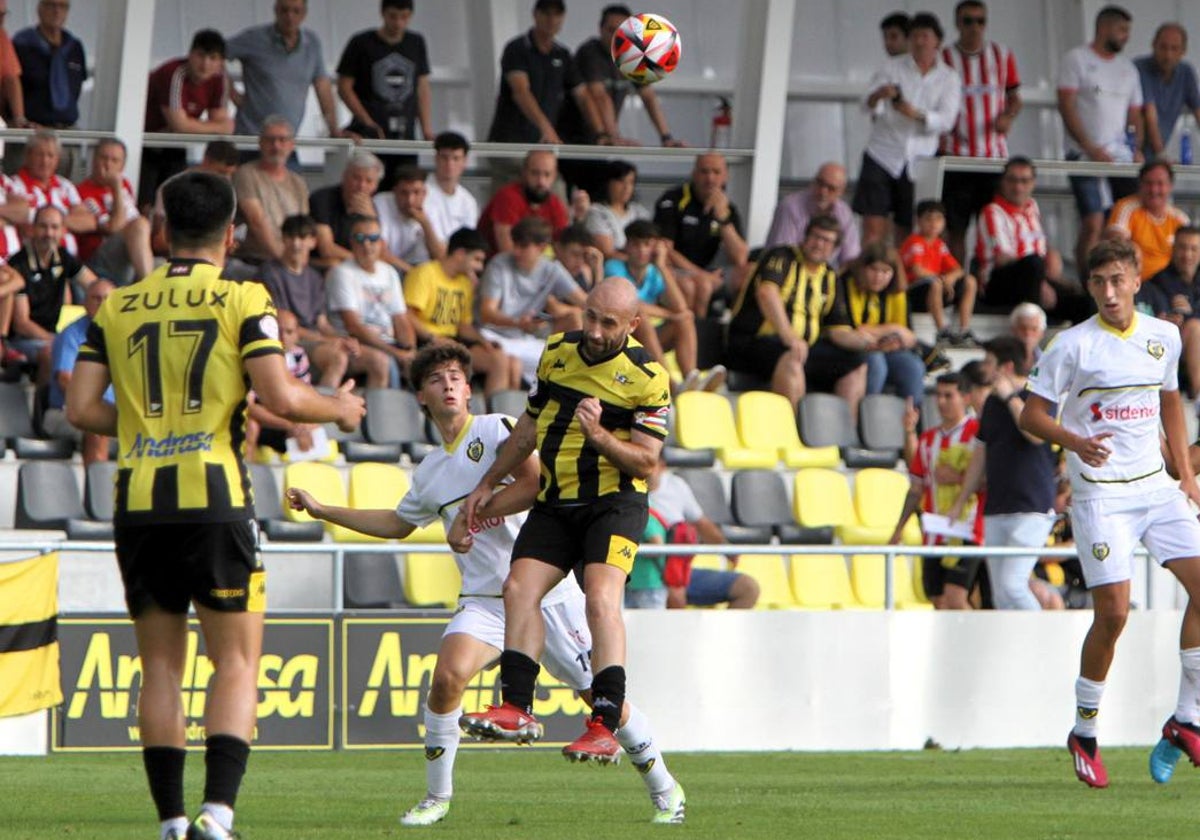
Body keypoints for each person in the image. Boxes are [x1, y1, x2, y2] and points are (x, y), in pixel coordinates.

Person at [65, 170, 365, 840]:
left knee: (161, 668)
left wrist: (150, 422)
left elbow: (81, 409)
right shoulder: (242, 297)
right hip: (216, 499)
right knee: (235, 659)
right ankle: (217, 815)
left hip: (138, 502)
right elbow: (282, 399)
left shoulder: (117, 306)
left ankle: (171, 822)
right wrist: (341, 407)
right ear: (232, 234)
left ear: (164, 230)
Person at [287, 341, 684, 825]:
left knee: (601, 702)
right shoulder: (431, 470)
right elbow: (396, 523)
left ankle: (665, 787)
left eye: (456, 376)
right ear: (421, 399)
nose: (449, 384)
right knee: (446, 679)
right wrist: (325, 509)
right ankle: (437, 798)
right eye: (437, 379)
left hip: (546, 595)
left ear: (469, 390)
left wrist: (472, 515)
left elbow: (536, 484)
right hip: (484, 601)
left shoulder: (497, 430)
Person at [458, 277, 672, 775]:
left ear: (633, 326)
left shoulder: (648, 377)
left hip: (615, 504)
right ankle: (515, 707)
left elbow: (645, 463)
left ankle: (603, 726)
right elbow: (529, 427)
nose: (594, 331)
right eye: (590, 316)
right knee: (517, 587)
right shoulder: (557, 350)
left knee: (600, 599)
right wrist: (488, 483)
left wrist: (596, 433)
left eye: (608, 323)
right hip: (557, 500)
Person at [1015, 238, 1200, 789]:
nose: (1110, 291)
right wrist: (1075, 439)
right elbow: (1030, 415)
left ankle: (1185, 719)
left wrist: (1185, 475)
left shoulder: (1163, 337)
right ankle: (1084, 731)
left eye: (1119, 280)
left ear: (1137, 281)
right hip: (1101, 495)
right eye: (1099, 283)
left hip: (1156, 490)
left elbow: (1169, 401)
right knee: (1114, 614)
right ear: (1090, 286)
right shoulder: (1071, 346)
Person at [946, 335, 1058, 611]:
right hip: (997, 507)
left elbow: (1035, 435)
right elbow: (980, 455)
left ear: (1006, 367)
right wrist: (961, 501)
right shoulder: (992, 406)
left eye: (990, 362)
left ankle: (1042, 638)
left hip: (1031, 506)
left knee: (1013, 584)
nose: (985, 368)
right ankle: (1014, 649)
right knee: (999, 593)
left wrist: (1010, 397)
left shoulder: (1038, 397)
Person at [853, 11, 961, 246]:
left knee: (908, 229)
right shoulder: (891, 67)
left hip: (919, 159)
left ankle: (901, 280)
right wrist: (880, 95)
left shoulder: (949, 78)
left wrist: (917, 114)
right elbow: (865, 105)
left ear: (937, 42)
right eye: (914, 36)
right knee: (873, 226)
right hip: (882, 152)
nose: (920, 42)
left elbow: (947, 121)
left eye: (925, 36)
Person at [556, 4, 685, 198]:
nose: (616, 36)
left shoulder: (631, 56)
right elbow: (599, 96)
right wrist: (613, 136)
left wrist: (666, 137)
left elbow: (648, 96)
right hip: (574, 143)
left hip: (600, 144)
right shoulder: (590, 52)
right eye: (610, 30)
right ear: (600, 29)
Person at [726, 215, 847, 410]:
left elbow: (838, 329)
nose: (819, 244)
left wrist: (869, 343)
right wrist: (789, 336)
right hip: (753, 343)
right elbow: (766, 293)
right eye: (816, 237)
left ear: (835, 249)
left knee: (857, 362)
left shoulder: (831, 276)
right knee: (793, 356)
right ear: (805, 237)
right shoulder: (782, 256)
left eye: (826, 241)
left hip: (800, 347)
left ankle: (844, 431)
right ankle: (792, 430)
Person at [1057, 5, 1143, 277]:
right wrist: (1089, 147)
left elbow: (1135, 113)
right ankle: (1088, 280)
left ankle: (1121, 276)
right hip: (1082, 156)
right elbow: (1067, 106)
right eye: (1122, 30)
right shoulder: (1077, 59)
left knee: (1124, 219)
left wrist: (1136, 148)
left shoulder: (1127, 69)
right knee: (1093, 220)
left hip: (1120, 158)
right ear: (1104, 27)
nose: (1126, 36)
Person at [259, 214, 390, 389]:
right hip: (290, 341)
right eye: (291, 237)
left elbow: (322, 324)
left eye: (303, 237)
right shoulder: (270, 274)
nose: (297, 244)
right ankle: (323, 415)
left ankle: (372, 415)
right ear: (283, 239)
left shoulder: (314, 277)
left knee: (379, 361)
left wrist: (346, 340)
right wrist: (328, 341)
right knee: (337, 356)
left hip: (317, 340)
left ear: (313, 241)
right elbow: (283, 327)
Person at [938, 1, 1022, 264]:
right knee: (955, 228)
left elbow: (1014, 97)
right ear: (957, 24)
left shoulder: (1001, 55)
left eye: (980, 21)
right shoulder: (943, 58)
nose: (974, 27)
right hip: (955, 156)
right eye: (968, 21)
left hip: (993, 158)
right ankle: (956, 286)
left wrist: (1008, 116)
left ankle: (986, 286)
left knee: (992, 226)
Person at [891, 372, 983, 610]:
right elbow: (916, 488)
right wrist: (898, 529)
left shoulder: (978, 434)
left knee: (955, 598)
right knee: (938, 600)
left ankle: (973, 644)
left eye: (948, 396)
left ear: (966, 398)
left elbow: (991, 481)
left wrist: (959, 477)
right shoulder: (927, 438)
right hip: (933, 531)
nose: (941, 402)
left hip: (968, 530)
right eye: (938, 396)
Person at [403, 227, 523, 396]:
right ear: (460, 253)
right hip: (426, 342)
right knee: (500, 361)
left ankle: (496, 418)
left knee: (502, 359)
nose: (480, 267)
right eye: (476, 259)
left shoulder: (465, 283)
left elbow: (464, 326)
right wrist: (433, 338)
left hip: (454, 342)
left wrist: (483, 342)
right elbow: (408, 315)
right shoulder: (425, 273)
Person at [605, 219, 717, 393]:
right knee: (640, 315)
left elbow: (681, 308)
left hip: (648, 340)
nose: (642, 250)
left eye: (647, 244)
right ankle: (668, 384)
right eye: (636, 244)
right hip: (621, 338)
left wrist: (662, 266)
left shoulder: (654, 272)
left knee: (685, 320)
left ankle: (691, 380)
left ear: (654, 247)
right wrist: (670, 315)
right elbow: (633, 305)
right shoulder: (614, 267)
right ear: (627, 246)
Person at [478, 217, 587, 381]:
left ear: (541, 248)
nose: (516, 251)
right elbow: (487, 313)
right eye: (515, 244)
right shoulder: (499, 264)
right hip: (491, 336)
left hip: (524, 340)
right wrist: (517, 323)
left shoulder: (552, 270)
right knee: (516, 365)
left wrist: (597, 272)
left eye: (523, 246)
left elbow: (586, 302)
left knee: (564, 365)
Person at [646, 455, 760, 610]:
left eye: (649, 461)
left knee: (748, 588)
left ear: (662, 465)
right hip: (645, 573)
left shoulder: (676, 486)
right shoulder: (623, 490)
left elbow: (701, 523)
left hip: (679, 571)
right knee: (674, 596)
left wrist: (726, 549)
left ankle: (722, 635)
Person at [485, 0, 602, 149]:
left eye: (557, 14)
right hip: (511, 143)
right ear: (535, 15)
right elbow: (521, 92)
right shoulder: (517, 49)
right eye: (546, 14)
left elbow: (583, 96)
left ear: (563, 17)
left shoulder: (562, 54)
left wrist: (600, 134)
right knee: (537, 171)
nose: (551, 20)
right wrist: (546, 129)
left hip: (543, 144)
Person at [226, 0, 346, 141]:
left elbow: (322, 87)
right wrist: (231, 92)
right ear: (276, 11)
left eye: (296, 11)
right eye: (284, 10)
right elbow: (213, 54)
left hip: (287, 138)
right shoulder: (254, 38)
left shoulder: (312, 43)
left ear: (304, 14)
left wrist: (333, 129)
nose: (290, 16)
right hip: (252, 136)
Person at [140, 29, 234, 207]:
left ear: (221, 63)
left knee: (172, 202)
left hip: (176, 145)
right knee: (145, 205)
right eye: (201, 56)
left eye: (213, 58)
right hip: (146, 142)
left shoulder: (220, 78)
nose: (205, 64)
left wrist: (192, 125)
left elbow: (225, 127)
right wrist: (209, 126)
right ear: (190, 55)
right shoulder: (174, 73)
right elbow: (179, 125)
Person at [831, 242, 926, 408]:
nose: (879, 277)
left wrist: (891, 333)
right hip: (850, 348)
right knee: (876, 362)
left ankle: (910, 423)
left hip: (885, 349)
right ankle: (868, 418)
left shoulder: (896, 292)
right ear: (862, 268)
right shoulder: (847, 284)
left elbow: (909, 337)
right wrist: (893, 329)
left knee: (913, 367)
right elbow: (855, 330)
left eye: (885, 271)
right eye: (874, 269)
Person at [325, 214, 415, 388]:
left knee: (426, 364)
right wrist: (395, 353)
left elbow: (401, 319)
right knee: (384, 362)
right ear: (351, 242)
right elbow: (354, 326)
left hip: (388, 342)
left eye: (373, 238)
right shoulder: (341, 273)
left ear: (382, 243)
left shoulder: (389, 272)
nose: (367, 244)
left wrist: (410, 350)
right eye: (360, 238)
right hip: (354, 344)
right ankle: (377, 415)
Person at [654, 153, 749, 317]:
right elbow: (665, 249)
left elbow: (740, 258)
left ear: (725, 176)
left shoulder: (728, 208)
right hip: (677, 269)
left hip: (713, 271)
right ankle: (698, 333)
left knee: (749, 273)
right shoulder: (674, 200)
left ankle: (735, 331)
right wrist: (702, 275)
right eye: (704, 171)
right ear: (694, 174)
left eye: (716, 172)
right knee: (701, 285)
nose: (710, 178)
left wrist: (723, 219)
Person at [8, 205, 96, 381]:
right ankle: (45, 406)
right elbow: (21, 323)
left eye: (55, 227)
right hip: (22, 340)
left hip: (55, 334)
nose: (49, 233)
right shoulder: (19, 263)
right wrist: (58, 340)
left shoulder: (63, 257)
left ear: (63, 231)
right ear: (32, 229)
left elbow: (95, 285)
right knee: (50, 354)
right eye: (43, 226)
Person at [974, 157, 1067, 313]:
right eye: (1012, 180)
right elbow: (1002, 258)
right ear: (1002, 182)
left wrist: (1052, 255)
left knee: (1079, 298)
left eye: (1024, 181)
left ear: (1033, 183)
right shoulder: (993, 211)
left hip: (1035, 276)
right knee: (1033, 264)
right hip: (999, 284)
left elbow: (1037, 244)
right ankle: (1031, 321)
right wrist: (1040, 280)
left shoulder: (1032, 207)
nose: (1018, 187)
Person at [44, 278, 113, 465]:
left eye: (107, 298)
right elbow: (65, 380)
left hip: (110, 410)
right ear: (84, 302)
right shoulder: (71, 334)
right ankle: (95, 487)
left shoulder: (122, 334)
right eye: (96, 298)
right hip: (64, 412)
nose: (101, 303)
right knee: (95, 424)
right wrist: (95, 407)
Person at [231, 117, 310, 266]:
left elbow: (302, 226)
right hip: (256, 260)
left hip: (291, 260)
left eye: (282, 140)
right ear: (260, 143)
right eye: (270, 140)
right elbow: (256, 222)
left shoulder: (298, 182)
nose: (276, 146)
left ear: (292, 145)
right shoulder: (246, 174)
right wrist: (284, 261)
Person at [75, 138, 154, 285]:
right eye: (103, 158)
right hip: (98, 258)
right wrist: (116, 188)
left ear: (122, 166)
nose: (108, 164)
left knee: (163, 265)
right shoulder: (82, 192)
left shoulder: (126, 185)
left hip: (126, 252)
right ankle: (148, 286)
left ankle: (146, 283)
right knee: (139, 224)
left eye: (114, 160)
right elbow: (114, 228)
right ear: (94, 160)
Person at [899, 199, 977, 345]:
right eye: (928, 219)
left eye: (938, 219)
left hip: (938, 287)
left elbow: (958, 269)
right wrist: (942, 279)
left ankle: (964, 331)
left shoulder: (939, 244)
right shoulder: (914, 241)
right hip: (915, 292)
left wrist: (950, 278)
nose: (934, 223)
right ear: (919, 221)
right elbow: (917, 270)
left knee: (970, 281)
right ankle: (942, 332)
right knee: (935, 283)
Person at [1138, 227, 1200, 401]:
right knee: (1195, 328)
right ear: (1173, 249)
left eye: (1194, 249)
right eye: (1182, 247)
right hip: (1171, 352)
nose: (1187, 254)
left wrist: (1192, 311)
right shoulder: (1159, 282)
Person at [150, 141, 240, 256]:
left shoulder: (226, 192)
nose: (226, 179)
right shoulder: (172, 188)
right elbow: (158, 241)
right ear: (206, 161)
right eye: (221, 172)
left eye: (230, 174)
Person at [1106, 161, 1190, 280]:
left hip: (1171, 284)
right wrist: (1131, 247)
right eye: (1149, 183)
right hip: (1136, 282)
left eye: (1160, 184)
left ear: (1170, 187)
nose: (1154, 190)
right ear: (1140, 185)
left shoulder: (1180, 219)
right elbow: (1114, 243)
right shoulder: (1126, 207)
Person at [764, 162, 861, 267]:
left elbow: (851, 258)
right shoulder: (790, 207)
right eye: (820, 183)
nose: (823, 191)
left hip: (824, 276)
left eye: (831, 188)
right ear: (813, 181)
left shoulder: (844, 213)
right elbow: (781, 255)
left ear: (841, 192)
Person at [477, 150, 570, 256]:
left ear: (554, 176)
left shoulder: (554, 203)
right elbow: (507, 250)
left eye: (547, 175)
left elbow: (563, 247)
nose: (541, 181)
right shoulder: (507, 197)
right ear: (524, 173)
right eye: (535, 173)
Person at [13, 0, 87, 129]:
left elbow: (77, 86)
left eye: (63, 6)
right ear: (39, 8)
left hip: (67, 128)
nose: (57, 11)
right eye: (51, 5)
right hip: (32, 129)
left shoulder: (74, 47)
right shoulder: (22, 44)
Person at [1135, 22, 1200, 162]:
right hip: (1134, 152)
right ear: (1154, 45)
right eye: (1163, 47)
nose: (1168, 55)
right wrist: (1161, 155)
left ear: (1183, 51)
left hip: (1156, 152)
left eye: (1174, 48)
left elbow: (1198, 111)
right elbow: (1149, 114)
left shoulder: (1186, 72)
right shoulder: (1140, 68)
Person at [307, 149, 385, 265]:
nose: (361, 186)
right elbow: (327, 249)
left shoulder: (371, 207)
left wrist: (371, 218)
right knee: (333, 263)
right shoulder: (322, 198)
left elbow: (380, 250)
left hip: (355, 263)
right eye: (356, 178)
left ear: (375, 186)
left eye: (368, 181)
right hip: (320, 262)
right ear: (344, 176)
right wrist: (362, 262)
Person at [374, 165, 444, 270]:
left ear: (424, 193)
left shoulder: (432, 207)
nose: (410, 200)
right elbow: (379, 251)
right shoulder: (380, 203)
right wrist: (413, 273)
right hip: (386, 267)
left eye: (416, 192)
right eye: (404, 193)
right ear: (395, 192)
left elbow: (440, 257)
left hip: (419, 266)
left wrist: (425, 224)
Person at [584, 160, 653, 258]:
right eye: (621, 181)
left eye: (631, 182)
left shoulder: (640, 212)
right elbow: (608, 252)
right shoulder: (597, 212)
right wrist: (639, 262)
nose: (627, 187)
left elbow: (653, 244)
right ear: (608, 183)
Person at [423, 132, 479, 245]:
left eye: (456, 158)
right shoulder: (420, 192)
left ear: (465, 161)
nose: (450, 164)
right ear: (436, 158)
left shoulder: (468, 201)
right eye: (444, 158)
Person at [0, 0, 28, 130]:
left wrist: (19, 118)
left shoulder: (2, 38)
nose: (1, 21)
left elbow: (11, 77)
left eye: (3, 15)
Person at [1009, 301, 1047, 365]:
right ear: (1013, 330)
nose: (1028, 334)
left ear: (1042, 333)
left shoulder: (1049, 361)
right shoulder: (1000, 360)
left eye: (1034, 329)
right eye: (1023, 328)